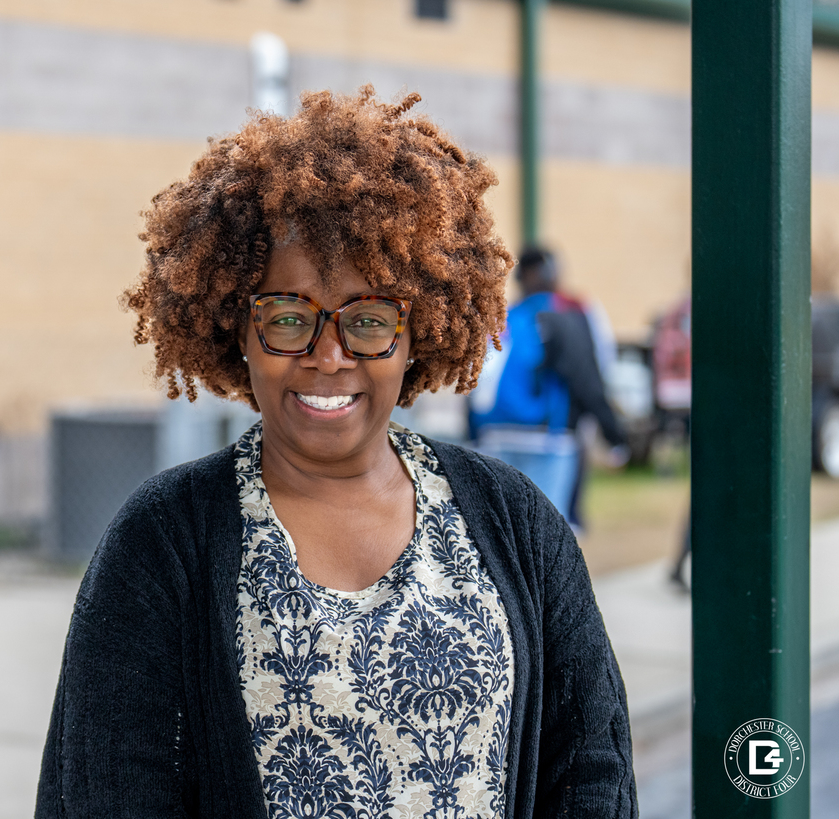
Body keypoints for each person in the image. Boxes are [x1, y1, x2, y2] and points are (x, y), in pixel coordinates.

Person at [36, 87, 636, 819]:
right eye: (288, 317)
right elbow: (106, 786)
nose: (329, 354)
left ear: (418, 331)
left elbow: (591, 764)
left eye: (369, 318)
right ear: (236, 329)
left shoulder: (515, 522)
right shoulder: (161, 541)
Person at [468, 246, 628, 523]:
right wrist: (615, 436)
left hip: (494, 435)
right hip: (548, 437)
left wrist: (473, 433)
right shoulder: (565, 316)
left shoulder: (505, 320)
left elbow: (477, 380)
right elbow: (586, 379)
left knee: (506, 528)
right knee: (548, 529)